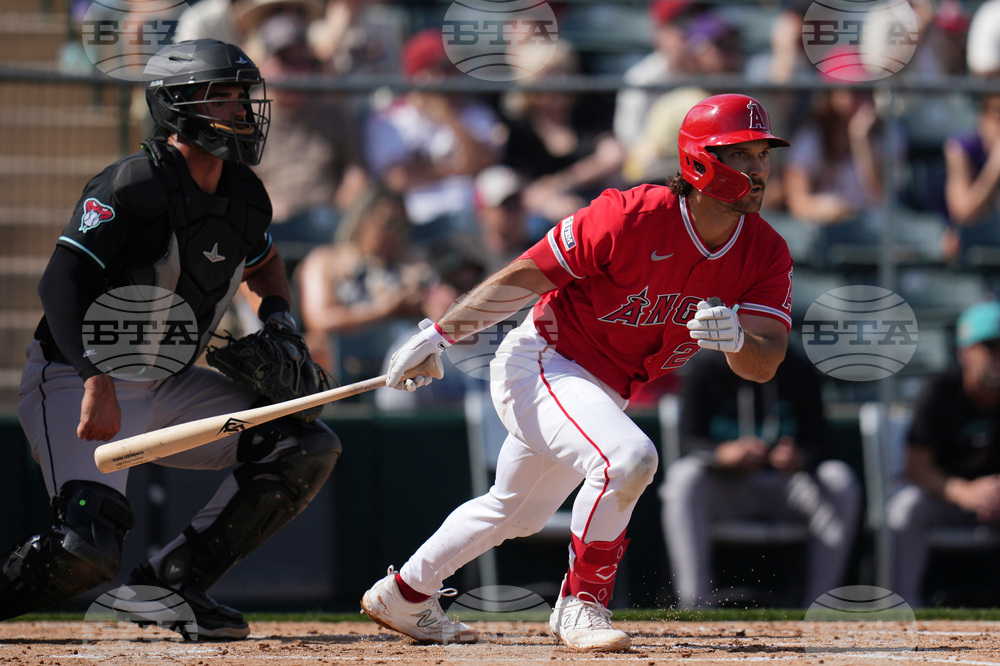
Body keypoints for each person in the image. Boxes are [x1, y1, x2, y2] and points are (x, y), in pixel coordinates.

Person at [360, 93, 794, 652]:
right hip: (541, 360)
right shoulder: (630, 215)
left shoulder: (765, 251)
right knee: (629, 458)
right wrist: (440, 333)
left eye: (763, 156)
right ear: (700, 161)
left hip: (601, 391)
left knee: (516, 511)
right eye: (743, 155)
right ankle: (581, 603)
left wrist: (738, 340)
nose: (759, 170)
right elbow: (525, 276)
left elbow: (765, 361)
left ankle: (405, 592)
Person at [0, 40, 341, 639]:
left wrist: (281, 319)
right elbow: (60, 283)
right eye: (223, 97)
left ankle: (170, 587)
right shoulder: (131, 185)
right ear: (177, 108)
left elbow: (266, 265)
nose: (241, 110)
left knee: (301, 444)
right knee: (85, 550)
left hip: (169, 382)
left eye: (242, 96)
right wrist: (93, 379)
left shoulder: (244, 194)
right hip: (76, 380)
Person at [660, 347, 861, 609]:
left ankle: (820, 605)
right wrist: (723, 453)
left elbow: (821, 444)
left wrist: (798, 456)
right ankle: (695, 604)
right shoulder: (707, 367)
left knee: (839, 478)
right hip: (726, 487)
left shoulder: (799, 367)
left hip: (786, 487)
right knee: (684, 476)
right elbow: (688, 442)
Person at [887, 300, 1000, 607]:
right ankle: (903, 605)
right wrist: (966, 493)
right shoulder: (939, 391)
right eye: (990, 347)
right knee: (905, 508)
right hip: (945, 498)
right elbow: (917, 467)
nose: (998, 356)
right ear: (964, 353)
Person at [296, 184, 433, 380]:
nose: (394, 234)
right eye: (388, 223)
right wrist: (383, 310)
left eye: (401, 226)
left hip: (401, 362)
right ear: (362, 219)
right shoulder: (326, 261)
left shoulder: (414, 263)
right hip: (339, 365)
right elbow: (319, 319)